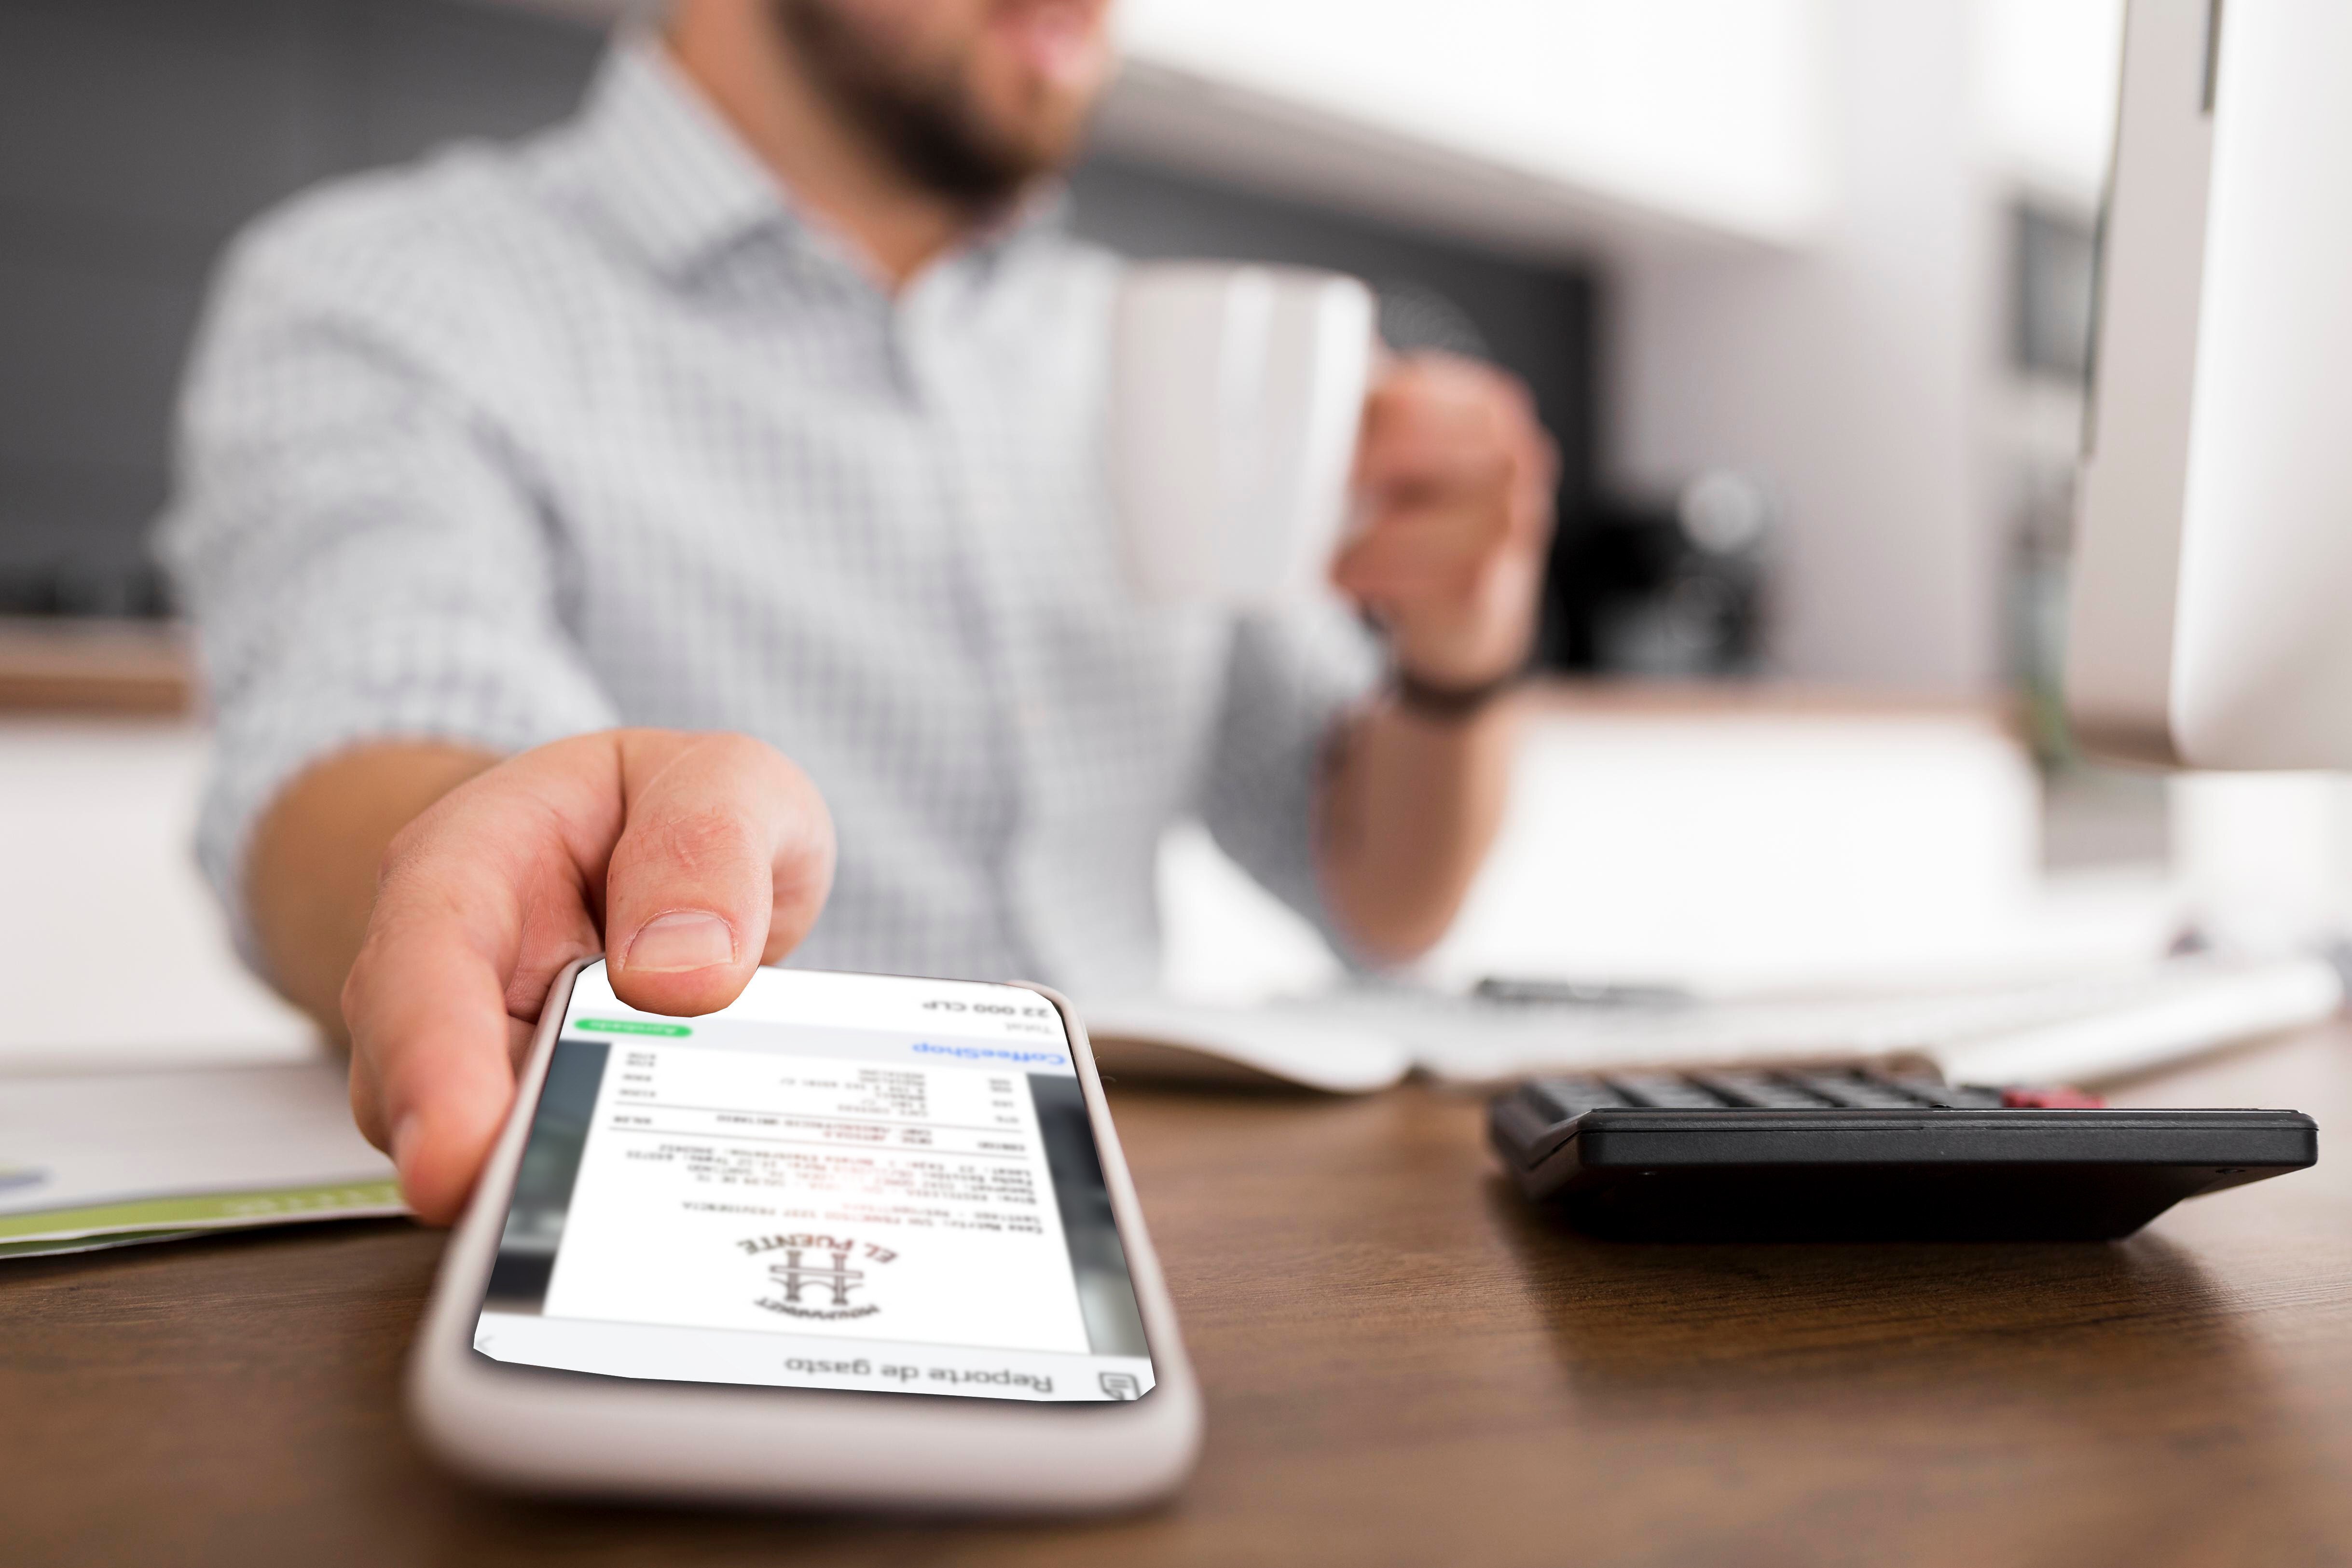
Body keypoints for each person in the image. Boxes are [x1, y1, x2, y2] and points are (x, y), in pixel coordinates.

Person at [159, 0, 1556, 1224]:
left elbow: (1380, 897)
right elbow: (369, 712)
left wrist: (1456, 656)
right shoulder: (392, 290)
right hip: (705, 1196)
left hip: (1166, 1216)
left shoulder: (1134, 344)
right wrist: (477, 858)